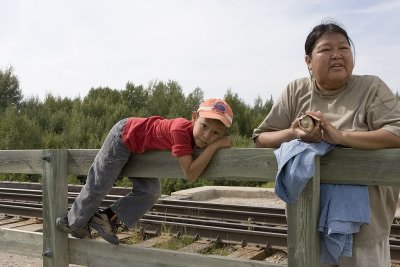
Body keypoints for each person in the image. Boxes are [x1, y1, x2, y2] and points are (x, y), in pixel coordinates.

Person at [252, 21, 400, 267]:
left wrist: (338, 137)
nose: (337, 55)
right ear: (308, 60)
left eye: (344, 48)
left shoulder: (371, 87)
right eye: (326, 49)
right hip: (306, 222)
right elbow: (261, 137)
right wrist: (294, 133)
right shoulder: (295, 91)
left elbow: (397, 132)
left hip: (365, 225)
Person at [56, 98, 234, 245]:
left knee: (151, 192)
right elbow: (190, 174)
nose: (207, 136)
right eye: (204, 126)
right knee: (100, 183)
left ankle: (104, 218)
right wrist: (216, 146)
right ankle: (72, 222)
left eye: (216, 134)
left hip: (140, 151)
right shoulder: (180, 129)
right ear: (194, 117)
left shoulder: (195, 138)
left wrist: (212, 146)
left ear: (224, 132)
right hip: (124, 136)